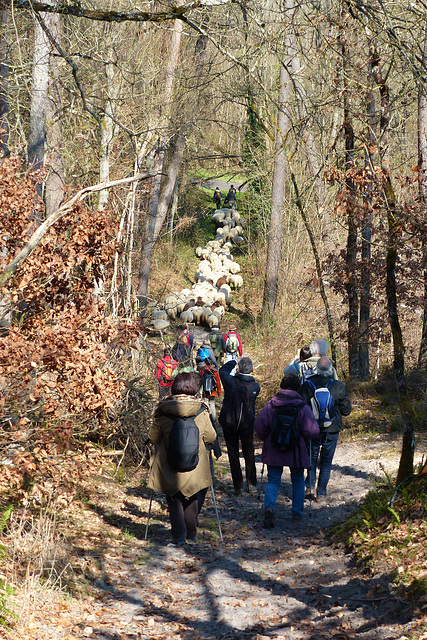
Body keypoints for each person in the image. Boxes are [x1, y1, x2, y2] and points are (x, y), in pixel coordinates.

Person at [148, 372, 217, 546]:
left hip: (169, 463)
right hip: (196, 464)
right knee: (193, 495)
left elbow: (153, 437)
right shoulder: (201, 410)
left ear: (174, 387)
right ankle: (191, 534)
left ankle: (179, 536)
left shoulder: (163, 410)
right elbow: (211, 437)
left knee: (173, 497)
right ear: (194, 388)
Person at [254, 373, 319, 526]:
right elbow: (313, 431)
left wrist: (266, 438)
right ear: (298, 387)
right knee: (297, 480)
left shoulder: (272, 404)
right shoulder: (302, 406)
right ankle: (296, 513)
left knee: (273, 480)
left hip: (274, 447)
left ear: (282, 386)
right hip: (296, 450)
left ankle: (269, 508)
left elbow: (259, 426)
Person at [299, 356, 352, 501]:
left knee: (311, 458)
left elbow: (300, 408)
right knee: (326, 462)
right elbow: (346, 411)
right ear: (331, 370)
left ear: (317, 368)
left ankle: (310, 487)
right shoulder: (338, 386)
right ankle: (321, 493)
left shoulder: (307, 385)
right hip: (332, 429)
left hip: (312, 429)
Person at [219, 357, 260, 495]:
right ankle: (252, 484)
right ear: (252, 370)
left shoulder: (230, 382)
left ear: (238, 369)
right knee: (249, 453)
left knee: (233, 453)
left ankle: (238, 487)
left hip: (229, 423)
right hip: (247, 424)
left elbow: (222, 370)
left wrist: (233, 361)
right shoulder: (255, 387)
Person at [198, 357, 222, 423]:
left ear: (205, 362)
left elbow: (199, 381)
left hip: (204, 391)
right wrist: (219, 393)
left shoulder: (202, 370)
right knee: (212, 404)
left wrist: (199, 391)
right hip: (213, 391)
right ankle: (213, 419)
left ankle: (206, 418)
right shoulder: (215, 371)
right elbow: (218, 383)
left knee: (205, 404)